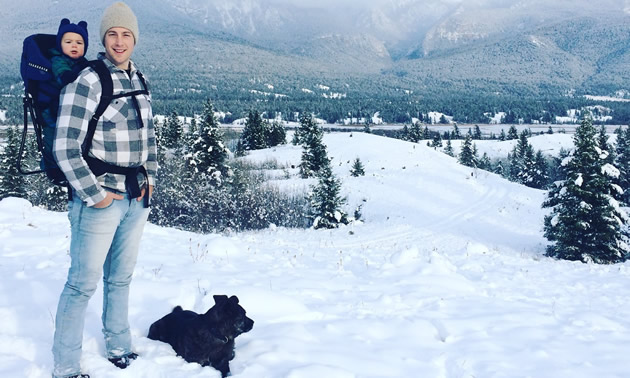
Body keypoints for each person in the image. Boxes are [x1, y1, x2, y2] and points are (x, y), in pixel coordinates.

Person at [51, 2, 157, 378]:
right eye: (112, 33)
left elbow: (149, 138)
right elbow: (64, 145)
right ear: (103, 38)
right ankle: (64, 366)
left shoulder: (140, 79)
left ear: (135, 39)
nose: (119, 40)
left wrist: (151, 179)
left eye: (126, 34)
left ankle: (118, 345)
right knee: (81, 285)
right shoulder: (89, 81)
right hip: (99, 199)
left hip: (135, 197)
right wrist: (94, 194)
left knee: (121, 278)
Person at [40, 18, 89, 159]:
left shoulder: (82, 62)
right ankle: (52, 166)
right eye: (68, 42)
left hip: (67, 106)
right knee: (53, 136)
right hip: (51, 109)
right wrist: (76, 74)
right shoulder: (58, 59)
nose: (74, 46)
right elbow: (64, 77)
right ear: (60, 45)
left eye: (79, 43)